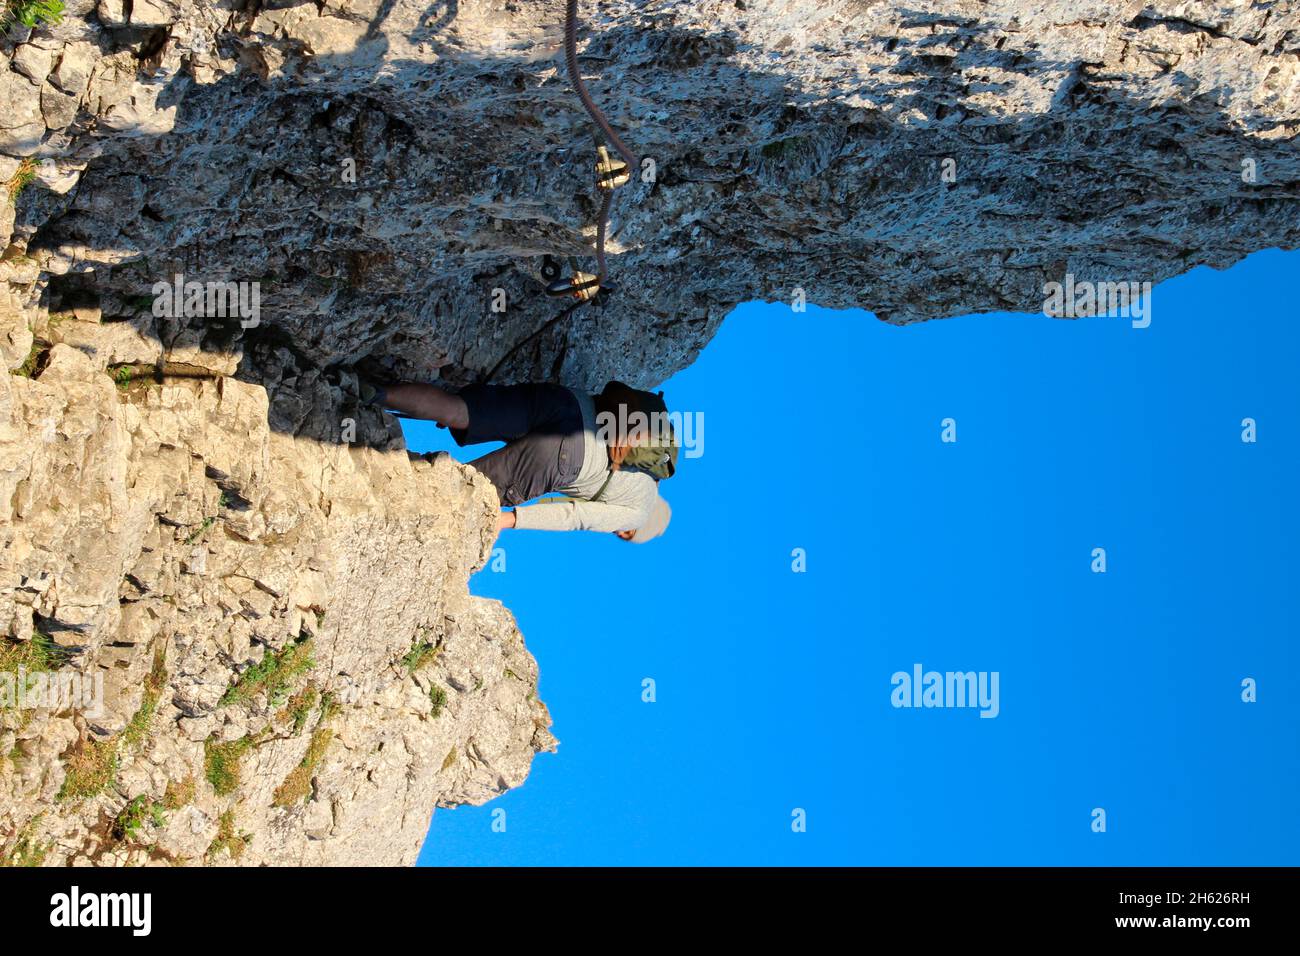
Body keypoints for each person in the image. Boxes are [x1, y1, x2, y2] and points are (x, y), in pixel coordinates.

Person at [365, 379, 672, 543]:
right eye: (627, 536)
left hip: (567, 402)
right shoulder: (637, 513)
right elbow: (575, 516)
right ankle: (373, 484)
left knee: (457, 409)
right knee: (456, 491)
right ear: (636, 530)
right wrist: (509, 520)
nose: (621, 533)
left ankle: (372, 390)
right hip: (566, 456)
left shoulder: (645, 449)